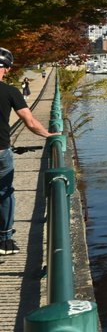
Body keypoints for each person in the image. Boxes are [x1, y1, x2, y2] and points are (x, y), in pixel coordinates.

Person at [0, 47, 60, 256]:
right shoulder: (10, 91)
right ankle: (5, 240)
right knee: (5, 193)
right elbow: (31, 122)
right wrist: (49, 135)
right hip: (1, 152)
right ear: (6, 70)